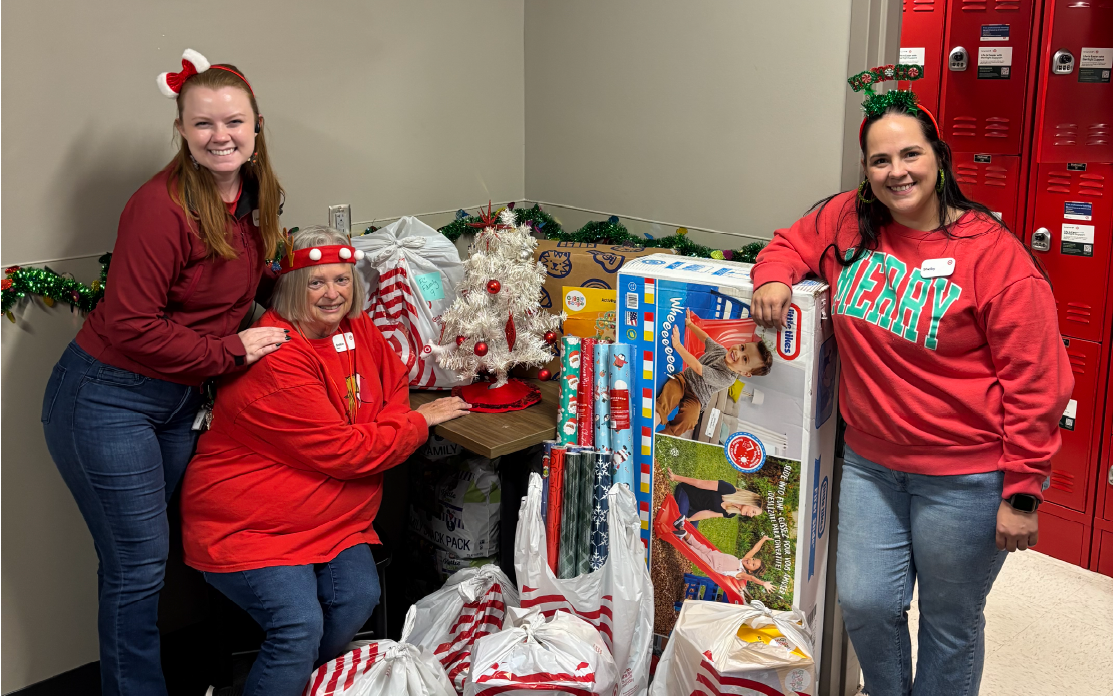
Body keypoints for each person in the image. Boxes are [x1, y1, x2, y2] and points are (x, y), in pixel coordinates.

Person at [749, 65, 1073, 696]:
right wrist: (773, 277)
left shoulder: (995, 254)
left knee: (950, 625)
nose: (897, 171)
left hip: (966, 478)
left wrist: (1023, 491)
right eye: (879, 160)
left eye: (910, 154)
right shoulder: (850, 222)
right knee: (867, 606)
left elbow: (1037, 382)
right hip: (872, 466)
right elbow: (791, 241)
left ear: (938, 159)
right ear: (866, 171)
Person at [40, 49, 288, 696]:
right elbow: (131, 325)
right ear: (181, 129)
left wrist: (301, 282)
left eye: (232, 121)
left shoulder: (253, 193)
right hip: (107, 399)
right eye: (202, 124)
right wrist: (231, 353)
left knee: (188, 544)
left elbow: (240, 270)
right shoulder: (160, 206)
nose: (220, 136)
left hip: (178, 399)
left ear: (257, 125)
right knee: (137, 567)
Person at [180, 226, 470, 696]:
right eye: (316, 282)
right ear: (293, 286)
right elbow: (349, 453)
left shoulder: (355, 328)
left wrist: (381, 425)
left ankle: (301, 684)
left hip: (335, 517)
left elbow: (392, 379)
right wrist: (414, 424)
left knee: (357, 598)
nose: (332, 293)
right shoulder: (276, 354)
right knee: (298, 627)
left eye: (342, 279)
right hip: (253, 525)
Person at [655, 309, 773, 436]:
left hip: (697, 398)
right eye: (742, 347)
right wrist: (690, 325)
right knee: (671, 391)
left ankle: (666, 435)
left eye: (745, 359)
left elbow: (698, 368)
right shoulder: (721, 351)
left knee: (690, 419)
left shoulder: (727, 378)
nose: (738, 353)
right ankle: (656, 416)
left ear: (745, 373)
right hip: (685, 379)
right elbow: (706, 338)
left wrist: (678, 345)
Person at [666, 469, 764, 533]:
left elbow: (708, 514)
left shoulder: (731, 513)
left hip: (696, 509)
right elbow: (699, 483)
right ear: (750, 502)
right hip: (687, 493)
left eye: (753, 515)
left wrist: (690, 520)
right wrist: (675, 477)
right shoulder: (728, 489)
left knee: (690, 533)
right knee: (679, 524)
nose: (751, 515)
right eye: (753, 512)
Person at [677, 531, 774, 592]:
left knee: (695, 552)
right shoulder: (744, 560)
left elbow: (752, 578)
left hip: (712, 563)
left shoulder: (741, 573)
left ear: (750, 571)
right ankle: (683, 531)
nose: (750, 560)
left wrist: (763, 583)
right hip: (714, 554)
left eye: (753, 564)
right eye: (753, 559)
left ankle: (681, 539)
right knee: (698, 545)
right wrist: (763, 539)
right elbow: (754, 550)